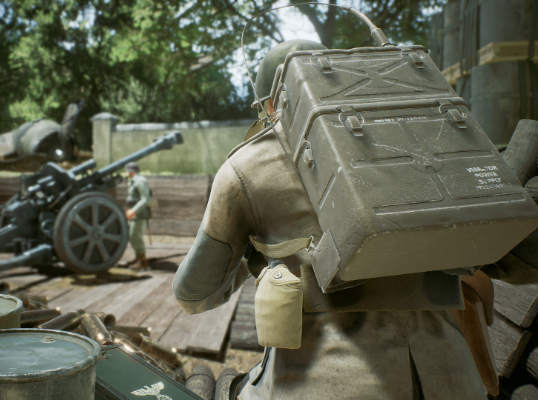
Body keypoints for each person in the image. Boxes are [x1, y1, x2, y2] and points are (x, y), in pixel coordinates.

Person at [172, 39, 487, 399]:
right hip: (453, 381)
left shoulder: (247, 167)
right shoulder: (430, 138)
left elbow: (193, 294)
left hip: (313, 385)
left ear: (270, 103)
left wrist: (254, 251)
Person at [125, 161, 151, 271]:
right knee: (131, 236)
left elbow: (145, 199)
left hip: (140, 214)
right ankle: (138, 258)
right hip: (134, 214)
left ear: (130, 171)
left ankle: (143, 262)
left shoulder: (140, 181)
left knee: (135, 235)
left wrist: (134, 211)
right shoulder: (133, 181)